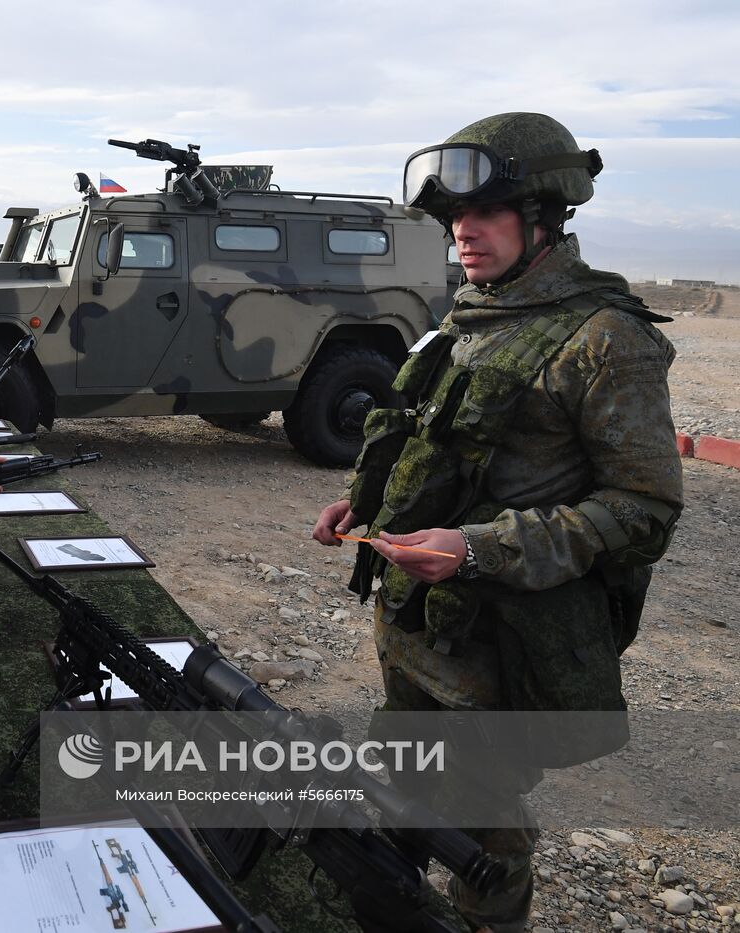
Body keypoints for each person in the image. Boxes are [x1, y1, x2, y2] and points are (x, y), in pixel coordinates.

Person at [312, 112, 683, 933]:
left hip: (501, 639)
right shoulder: (470, 317)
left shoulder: (604, 338)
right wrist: (362, 506)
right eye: (453, 221)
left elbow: (644, 509)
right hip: (416, 624)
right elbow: (425, 438)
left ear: (545, 216)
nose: (463, 234)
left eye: (484, 215)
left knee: (484, 822)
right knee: (404, 782)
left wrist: (478, 549)